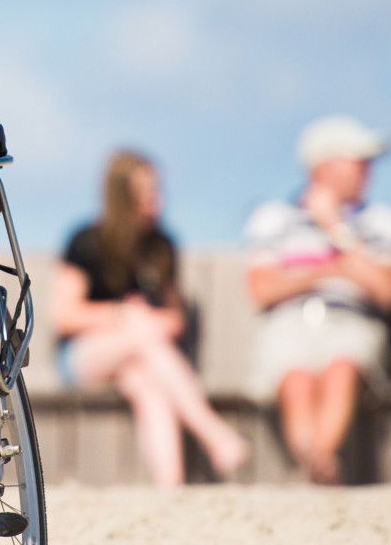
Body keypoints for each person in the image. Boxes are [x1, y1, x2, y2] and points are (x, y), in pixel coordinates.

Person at [53, 150, 249, 487]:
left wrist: (148, 321)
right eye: (147, 190)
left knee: (145, 384)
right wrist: (122, 315)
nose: (157, 199)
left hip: (143, 357)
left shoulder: (162, 247)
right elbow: (66, 316)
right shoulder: (87, 241)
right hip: (84, 357)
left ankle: (169, 487)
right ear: (122, 195)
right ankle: (214, 433)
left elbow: (175, 319)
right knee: (140, 334)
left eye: (157, 189)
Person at [244, 115, 391, 484]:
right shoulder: (274, 218)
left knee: (342, 368)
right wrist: (332, 271)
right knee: (296, 377)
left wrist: (335, 228)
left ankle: (313, 464)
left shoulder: (380, 220)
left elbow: (387, 291)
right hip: (289, 323)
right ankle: (319, 464)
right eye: (360, 161)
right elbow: (261, 290)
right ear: (325, 165)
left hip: (352, 322)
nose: (369, 170)